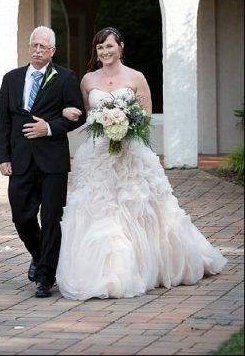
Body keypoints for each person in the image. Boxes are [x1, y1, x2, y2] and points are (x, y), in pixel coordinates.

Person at [55, 27, 226, 300]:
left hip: (131, 153)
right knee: (99, 208)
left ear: (121, 47)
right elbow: (85, 115)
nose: (104, 51)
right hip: (99, 156)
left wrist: (125, 125)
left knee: (139, 205)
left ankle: (150, 265)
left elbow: (145, 117)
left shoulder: (136, 77)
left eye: (109, 46)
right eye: (100, 47)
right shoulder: (88, 80)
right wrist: (71, 113)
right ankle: (103, 271)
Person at [0, 26, 86, 298]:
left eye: (43, 47)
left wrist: (49, 127)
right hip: (21, 160)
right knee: (21, 217)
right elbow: (4, 120)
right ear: (29, 47)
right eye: (34, 45)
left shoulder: (65, 77)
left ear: (52, 51)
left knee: (50, 217)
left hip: (52, 161)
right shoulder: (11, 79)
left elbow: (78, 116)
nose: (37, 50)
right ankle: (40, 256)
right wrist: (3, 157)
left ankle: (45, 277)